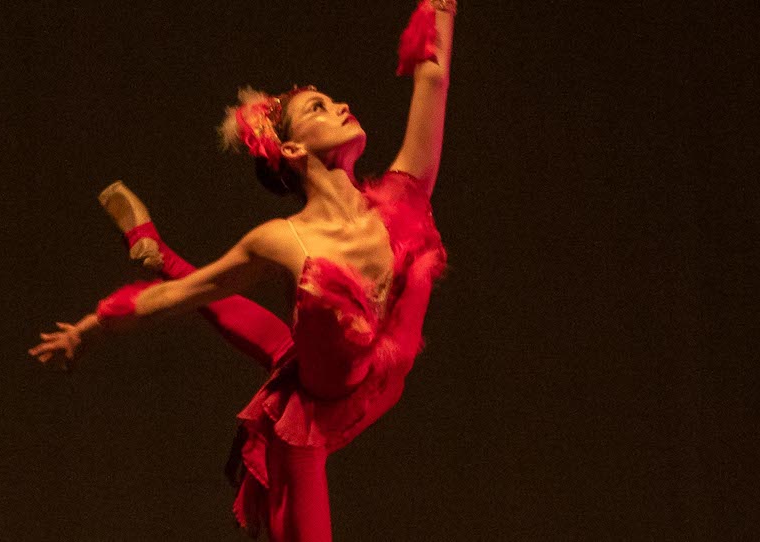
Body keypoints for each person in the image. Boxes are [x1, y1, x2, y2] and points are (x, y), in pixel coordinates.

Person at [28, 1, 455, 539]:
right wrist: (91, 324)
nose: (343, 104)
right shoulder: (282, 239)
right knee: (268, 345)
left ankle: (158, 250)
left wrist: (440, 6)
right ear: (292, 147)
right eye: (319, 107)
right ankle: (160, 256)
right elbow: (181, 298)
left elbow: (433, 77)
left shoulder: (403, 194)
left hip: (360, 378)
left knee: (286, 350)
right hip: (317, 417)